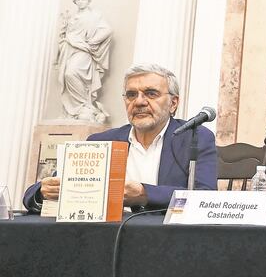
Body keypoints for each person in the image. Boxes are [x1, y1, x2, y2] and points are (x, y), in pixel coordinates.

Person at [24, 63, 217, 212]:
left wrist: (144, 194)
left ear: (173, 103)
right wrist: (42, 192)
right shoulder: (100, 142)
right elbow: (32, 195)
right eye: (131, 95)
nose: (139, 102)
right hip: (107, 238)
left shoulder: (194, 137)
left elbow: (206, 198)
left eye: (151, 93)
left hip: (168, 240)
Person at [55, 0, 113, 123]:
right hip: (68, 49)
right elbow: (64, 34)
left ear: (88, 1)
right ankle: (74, 110)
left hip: (83, 49)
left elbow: (107, 30)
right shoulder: (71, 17)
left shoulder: (94, 16)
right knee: (65, 76)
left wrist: (92, 42)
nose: (80, 1)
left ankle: (83, 106)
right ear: (75, 2)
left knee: (71, 73)